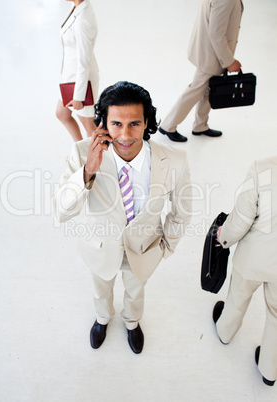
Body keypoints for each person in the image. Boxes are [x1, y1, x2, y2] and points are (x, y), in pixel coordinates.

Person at [54, 81, 192, 354]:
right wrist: (88, 170)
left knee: (135, 291)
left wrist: (166, 247)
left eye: (134, 124)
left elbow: (182, 210)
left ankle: (132, 322)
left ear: (147, 122)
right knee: (101, 289)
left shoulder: (175, 160)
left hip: (144, 249)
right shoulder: (82, 153)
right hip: (100, 247)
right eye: (116, 124)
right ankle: (103, 318)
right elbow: (62, 210)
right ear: (103, 123)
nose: (125, 134)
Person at [213, 157, 277, 386]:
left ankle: (225, 332)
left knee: (238, 296)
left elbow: (240, 220)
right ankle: (270, 371)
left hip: (253, 259)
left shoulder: (264, 169)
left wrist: (224, 238)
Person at [159, 0, 243, 142]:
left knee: (208, 89)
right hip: (212, 55)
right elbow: (216, 34)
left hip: (207, 51)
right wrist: (229, 61)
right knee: (196, 89)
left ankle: (200, 125)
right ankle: (168, 125)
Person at [56, 0, 99, 141]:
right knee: (62, 114)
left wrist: (79, 97)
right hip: (69, 78)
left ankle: (93, 160)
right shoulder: (76, 7)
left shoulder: (83, 19)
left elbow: (84, 61)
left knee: (90, 128)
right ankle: (80, 151)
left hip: (81, 82)